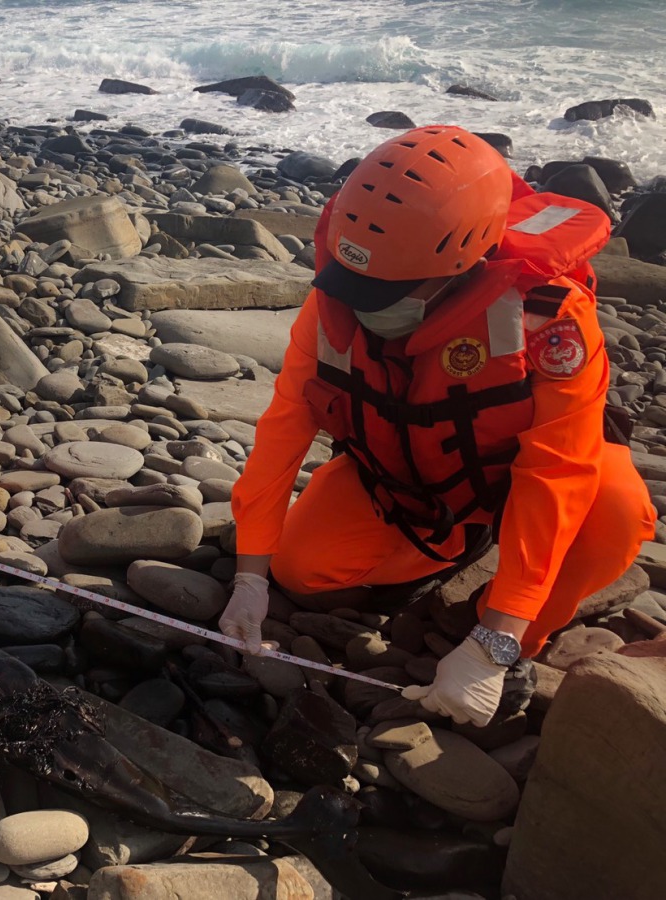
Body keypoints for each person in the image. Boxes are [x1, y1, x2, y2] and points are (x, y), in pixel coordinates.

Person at [221, 125, 655, 728]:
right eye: (355, 286)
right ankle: (456, 552)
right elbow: (284, 426)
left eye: (388, 290)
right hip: (404, 483)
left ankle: (515, 640)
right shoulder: (335, 297)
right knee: (302, 568)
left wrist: (497, 640)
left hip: (513, 481)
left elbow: (558, 470)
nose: (366, 304)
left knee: (616, 507)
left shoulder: (545, 322)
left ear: (467, 261)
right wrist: (251, 572)